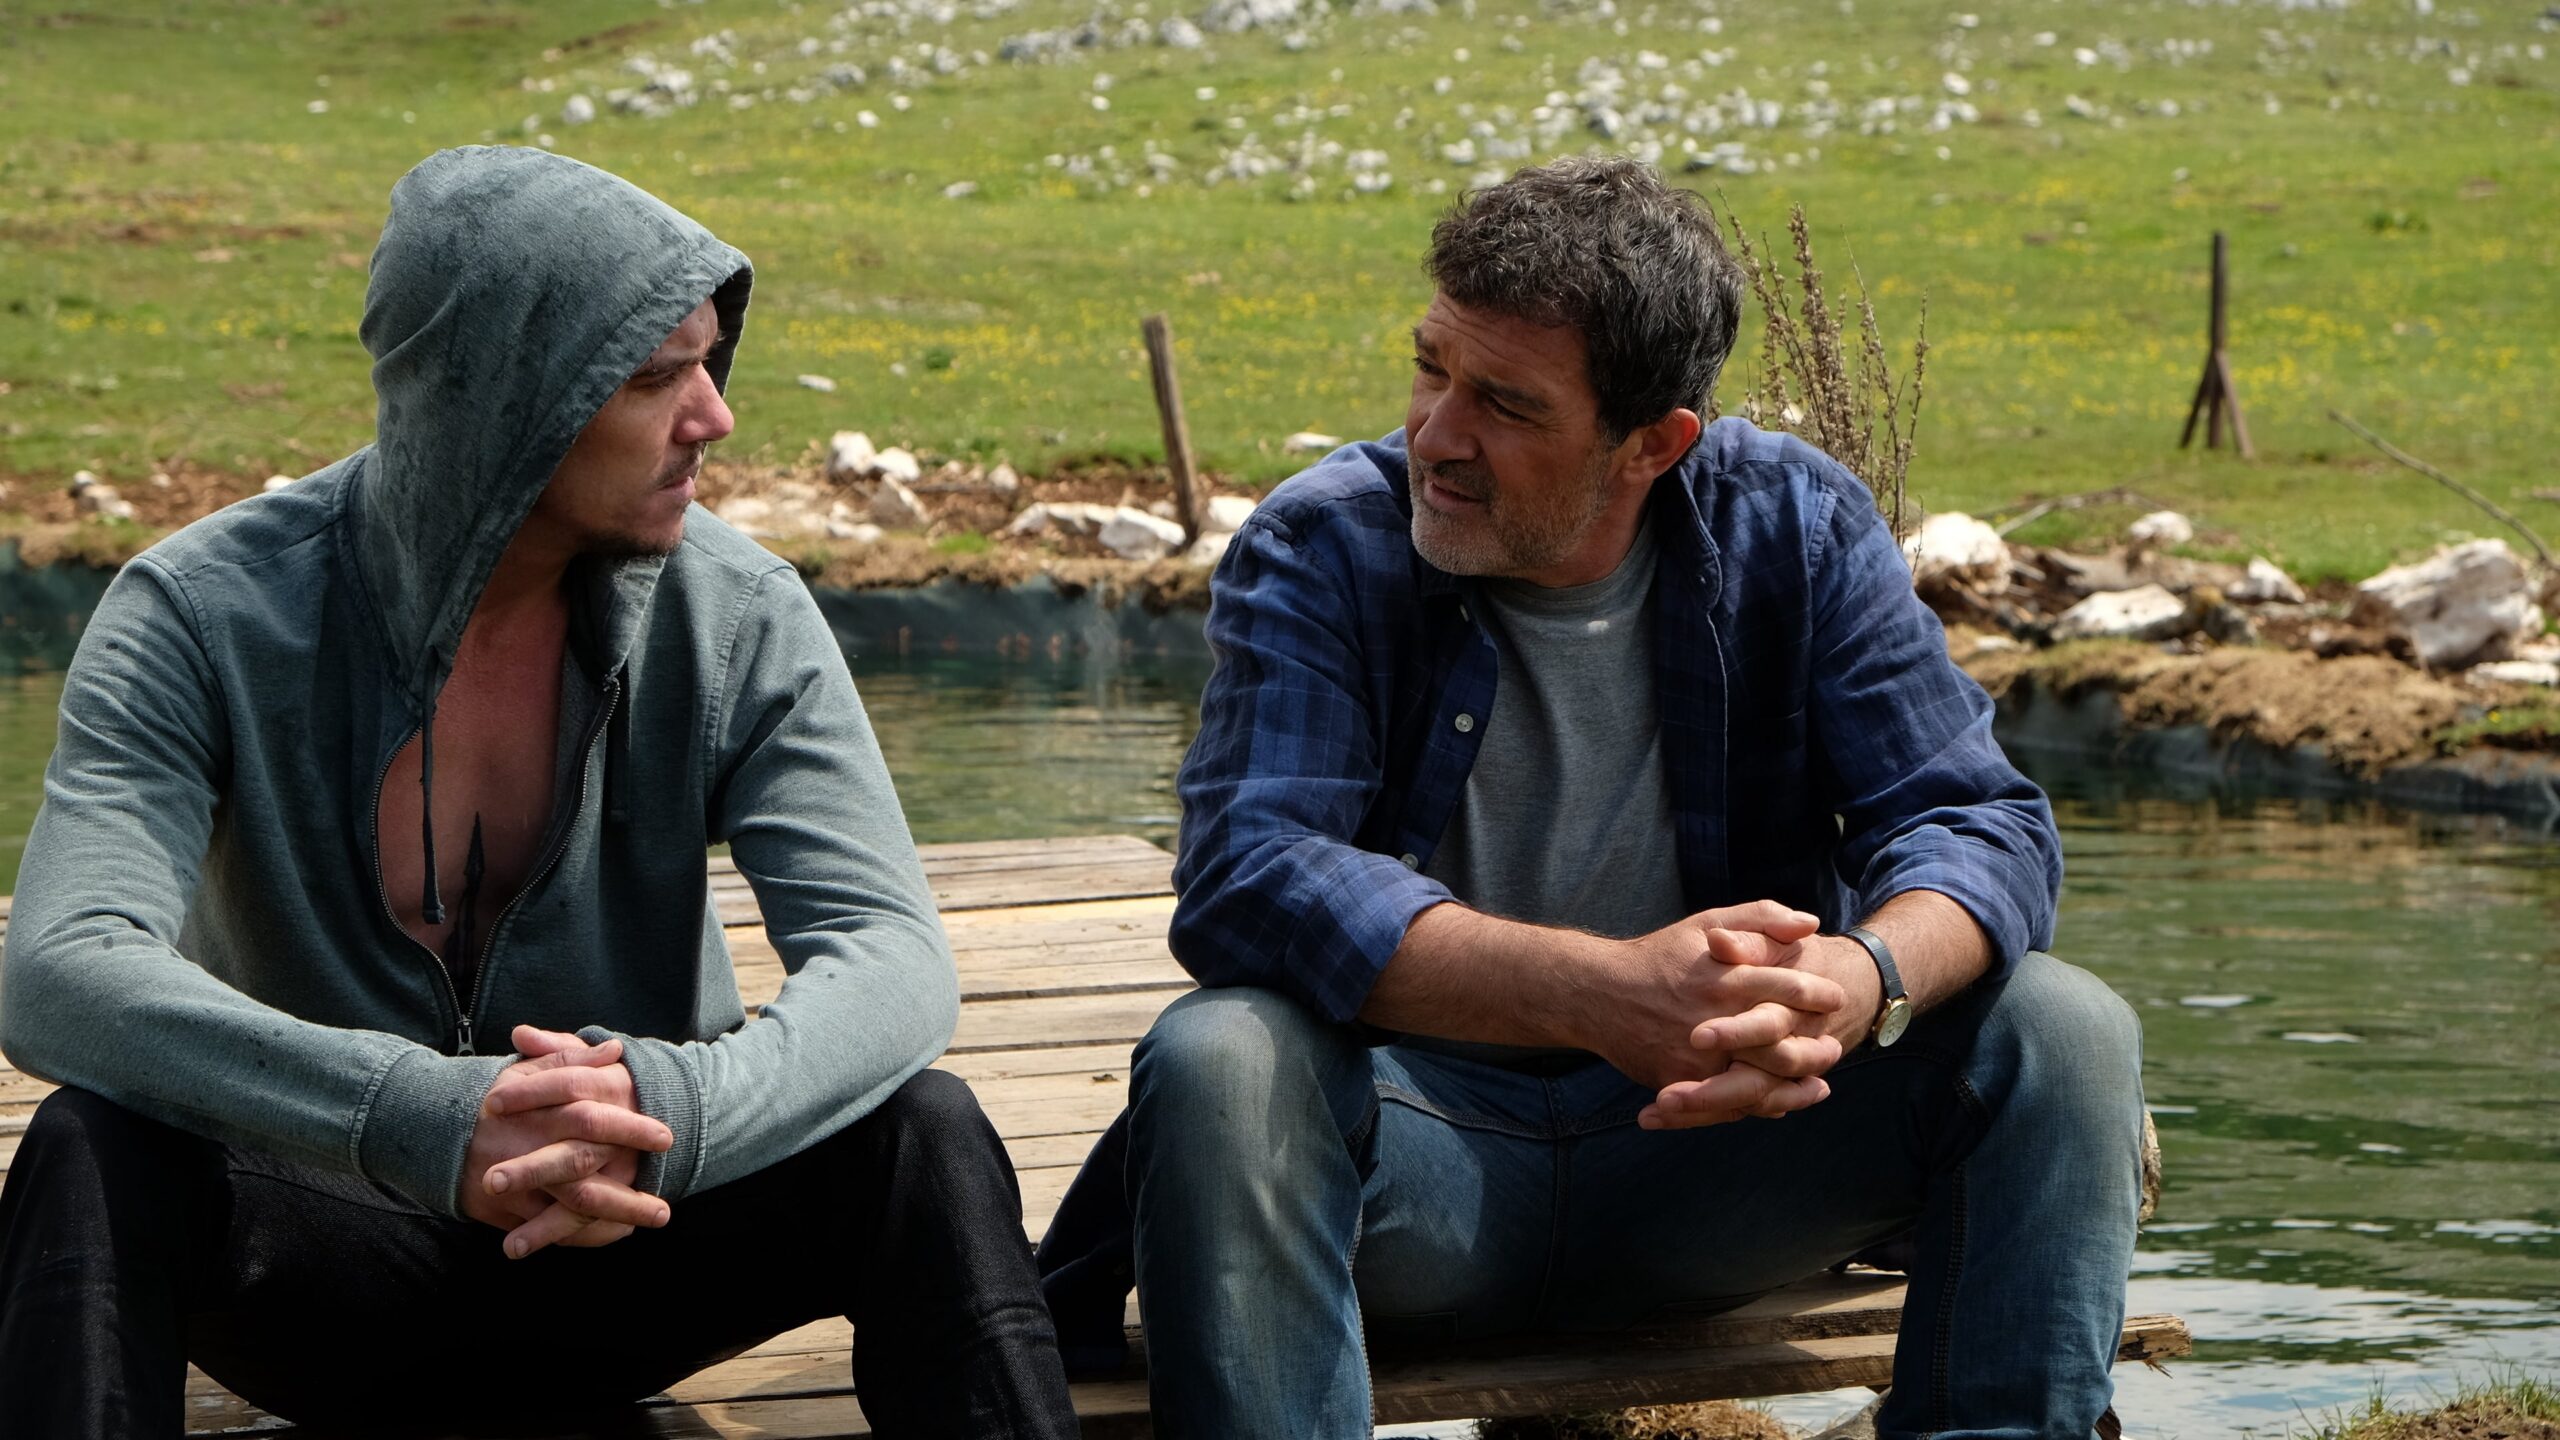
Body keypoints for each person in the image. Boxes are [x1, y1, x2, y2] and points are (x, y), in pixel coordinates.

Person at [0, 146, 1077, 1438]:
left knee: (922, 1131)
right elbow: (63, 966)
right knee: (89, 1150)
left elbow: (892, 956)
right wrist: (418, 1118)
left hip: (639, 1234)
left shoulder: (737, 616)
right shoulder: (201, 614)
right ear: (506, 399)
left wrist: (671, 1105)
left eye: (709, 362)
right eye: (655, 376)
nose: (714, 416)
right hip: (322, 1258)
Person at [1070, 156, 2145, 1438]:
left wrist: (1855, 985)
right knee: (1223, 1057)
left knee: (2061, 1030)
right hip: (1404, 1170)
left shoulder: (1793, 524)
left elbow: (1980, 824)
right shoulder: (1323, 542)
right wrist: (1604, 991)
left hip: (1716, 1164)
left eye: (1505, 404)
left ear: (1653, 443)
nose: (1436, 435)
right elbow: (1249, 874)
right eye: (1430, 369)